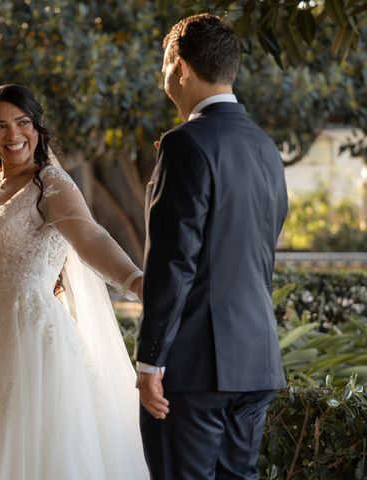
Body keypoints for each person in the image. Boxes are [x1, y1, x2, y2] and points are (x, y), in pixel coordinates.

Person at [0, 84, 150, 479]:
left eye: (22, 123)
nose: (13, 135)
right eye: (0, 125)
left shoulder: (49, 184)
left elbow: (91, 237)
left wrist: (138, 283)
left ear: (37, 127)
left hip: (33, 339)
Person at [136, 13, 288, 480]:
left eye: (164, 65)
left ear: (180, 66)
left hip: (195, 367)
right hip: (256, 360)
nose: (164, 77)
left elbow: (174, 260)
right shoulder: (266, 148)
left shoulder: (186, 143)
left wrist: (150, 358)